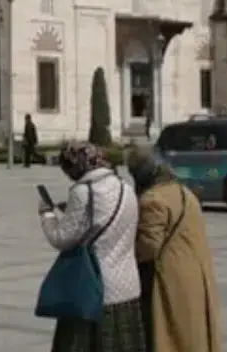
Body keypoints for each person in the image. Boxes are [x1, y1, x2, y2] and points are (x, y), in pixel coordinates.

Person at [40, 141, 146, 352]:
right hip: (127, 287)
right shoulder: (126, 188)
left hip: (94, 290)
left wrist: (47, 214)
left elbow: (61, 239)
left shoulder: (83, 192)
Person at [126, 145, 221, 352]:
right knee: (195, 333)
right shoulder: (184, 192)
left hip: (172, 276)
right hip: (196, 273)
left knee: (172, 334)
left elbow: (149, 247)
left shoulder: (153, 200)